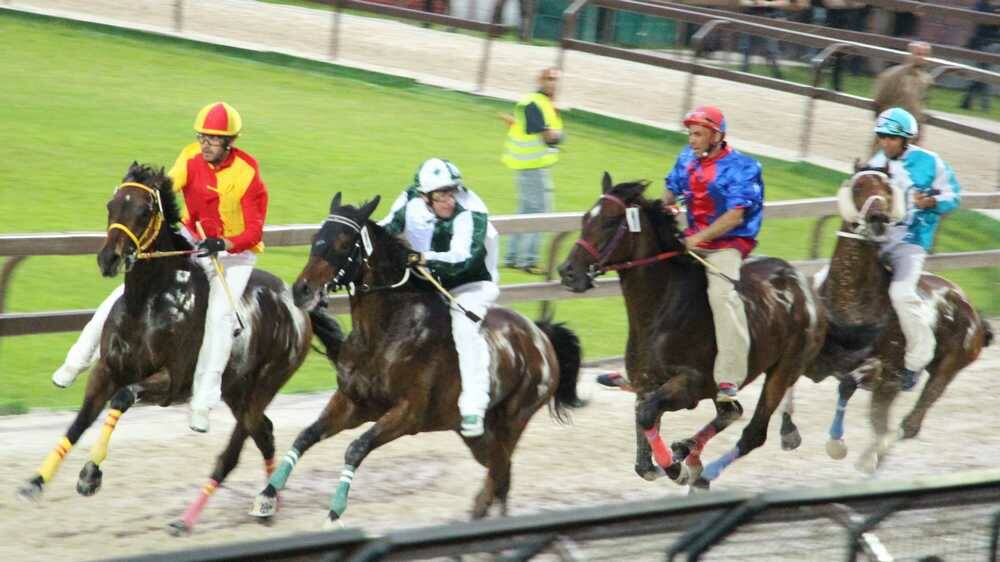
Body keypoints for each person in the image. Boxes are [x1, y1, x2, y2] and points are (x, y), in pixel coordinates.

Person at [51, 102, 269, 433]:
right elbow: (166, 184)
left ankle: (202, 401)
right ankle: (76, 360)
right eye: (202, 137)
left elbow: (254, 231)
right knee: (132, 286)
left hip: (234, 255)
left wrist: (224, 244)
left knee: (219, 317)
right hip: (194, 238)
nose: (205, 144)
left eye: (213, 139)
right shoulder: (191, 156)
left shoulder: (249, 174)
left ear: (229, 142)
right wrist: (137, 190)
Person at [379, 158, 500, 438]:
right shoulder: (410, 199)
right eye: (441, 195)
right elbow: (385, 229)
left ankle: (474, 406)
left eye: (452, 192)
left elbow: (463, 259)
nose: (449, 200)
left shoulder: (472, 212)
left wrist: (423, 257)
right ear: (424, 196)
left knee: (464, 328)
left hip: (470, 283)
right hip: (428, 280)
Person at [660, 106, 764, 407]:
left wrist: (697, 239)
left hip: (728, 244)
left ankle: (729, 379)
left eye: (698, 134)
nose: (692, 140)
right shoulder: (686, 158)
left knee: (722, 297)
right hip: (692, 238)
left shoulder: (742, 167)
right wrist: (662, 209)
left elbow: (735, 216)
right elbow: (671, 191)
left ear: (716, 136)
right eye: (690, 134)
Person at [867, 107, 960, 391]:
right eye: (882, 136)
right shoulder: (877, 161)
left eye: (891, 138)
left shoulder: (931, 162)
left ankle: (917, 358)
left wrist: (931, 202)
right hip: (877, 240)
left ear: (906, 139)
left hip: (911, 241)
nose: (885, 143)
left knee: (901, 293)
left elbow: (954, 196)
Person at [500, 67, 564, 275]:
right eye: (549, 79)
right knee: (541, 212)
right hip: (532, 167)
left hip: (529, 166)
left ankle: (511, 257)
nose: (553, 83)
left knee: (524, 211)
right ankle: (528, 259)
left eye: (556, 80)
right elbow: (549, 137)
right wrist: (559, 136)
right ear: (539, 80)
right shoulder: (535, 103)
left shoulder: (540, 103)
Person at [872, 41, 932, 147]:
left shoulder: (926, 79)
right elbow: (879, 101)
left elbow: (922, 107)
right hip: (890, 131)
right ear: (909, 54)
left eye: (924, 54)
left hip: (911, 133)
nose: (921, 57)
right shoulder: (892, 75)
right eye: (917, 53)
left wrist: (919, 132)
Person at [960, 0, 998, 112]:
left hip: (994, 42)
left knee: (983, 73)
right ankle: (974, 103)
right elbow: (978, 19)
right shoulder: (981, 4)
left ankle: (971, 103)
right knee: (981, 73)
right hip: (980, 41)